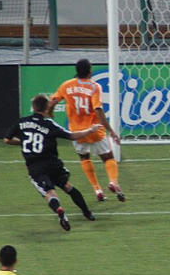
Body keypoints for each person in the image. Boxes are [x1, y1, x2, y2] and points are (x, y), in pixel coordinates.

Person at [5, 94, 100, 231]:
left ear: (33, 107)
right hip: (53, 164)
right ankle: (87, 212)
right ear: (46, 108)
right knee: (67, 186)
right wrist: (91, 130)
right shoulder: (49, 124)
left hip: (35, 167)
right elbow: (72, 136)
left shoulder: (21, 122)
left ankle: (59, 210)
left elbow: (7, 140)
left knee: (50, 193)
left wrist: (24, 142)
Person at [47, 58, 125, 203]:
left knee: (84, 158)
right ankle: (113, 181)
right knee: (108, 158)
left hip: (77, 133)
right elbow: (98, 109)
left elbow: (51, 102)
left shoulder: (66, 85)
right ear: (90, 71)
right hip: (94, 131)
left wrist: (50, 114)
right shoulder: (94, 87)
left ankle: (97, 189)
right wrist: (111, 130)